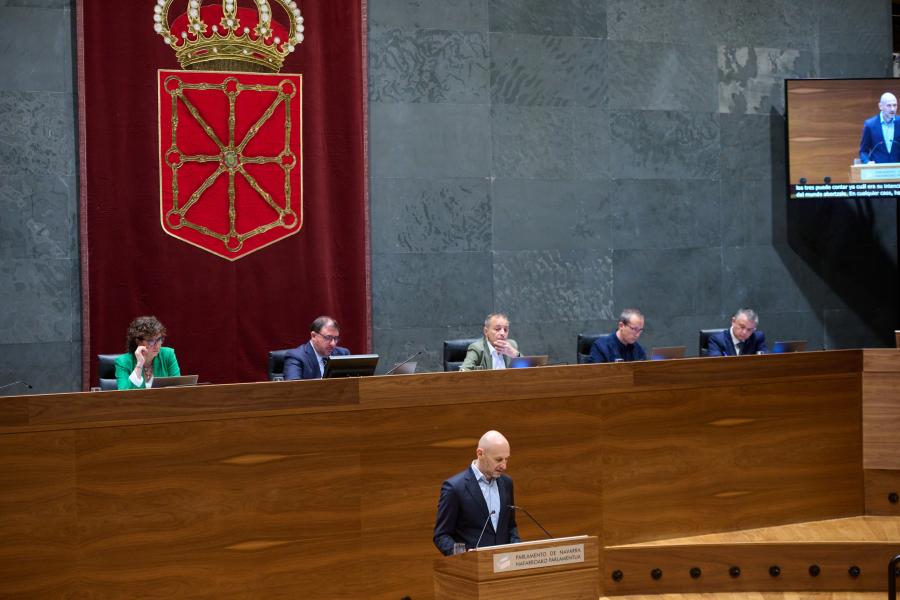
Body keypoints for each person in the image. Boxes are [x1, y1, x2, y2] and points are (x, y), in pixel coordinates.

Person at [433, 430, 521, 555]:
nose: (504, 466)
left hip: (504, 566)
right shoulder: (455, 488)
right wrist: (464, 556)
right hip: (473, 569)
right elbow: (441, 536)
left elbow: (510, 526)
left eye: (506, 459)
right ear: (480, 453)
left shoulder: (506, 483)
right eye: (498, 460)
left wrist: (517, 548)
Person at [115, 315, 180, 390]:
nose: (157, 345)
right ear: (138, 341)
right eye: (151, 341)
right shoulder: (123, 362)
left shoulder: (168, 355)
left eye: (159, 339)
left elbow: (177, 389)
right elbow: (124, 394)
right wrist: (139, 364)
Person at [283, 316, 350, 380]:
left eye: (335, 338)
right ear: (313, 336)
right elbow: (293, 387)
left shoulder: (342, 354)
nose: (333, 343)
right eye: (328, 338)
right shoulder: (296, 357)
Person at [859, 92, 900, 164]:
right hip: (877, 171)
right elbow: (863, 152)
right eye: (889, 106)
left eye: (895, 105)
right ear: (880, 106)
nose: (893, 109)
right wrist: (867, 162)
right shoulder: (870, 125)